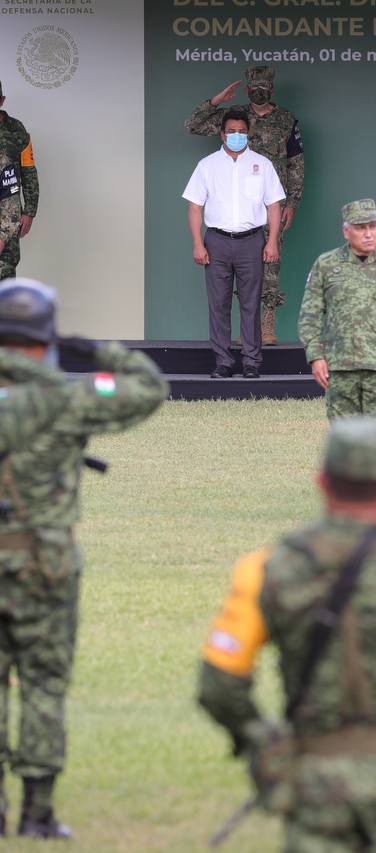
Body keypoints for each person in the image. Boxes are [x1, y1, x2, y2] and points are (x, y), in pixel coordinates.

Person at [197, 417, 376, 850]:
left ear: (321, 483)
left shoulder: (266, 567)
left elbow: (219, 682)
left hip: (317, 778)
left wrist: (260, 741)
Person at [0, 278, 166, 838]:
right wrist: (93, 351)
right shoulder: (68, 399)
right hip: (45, 566)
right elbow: (148, 386)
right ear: (44, 334)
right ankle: (38, 812)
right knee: (44, 685)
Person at [185, 66, 305, 345]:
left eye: (264, 87)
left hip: (272, 201)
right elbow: (193, 125)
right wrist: (217, 102)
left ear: (272, 89)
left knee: (270, 262)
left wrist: (293, 202)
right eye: (254, 88)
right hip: (234, 203)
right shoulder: (236, 117)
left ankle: (266, 325)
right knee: (236, 269)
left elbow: (296, 161)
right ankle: (245, 332)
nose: (259, 92)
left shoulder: (286, 119)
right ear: (248, 89)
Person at [298, 199, 376, 419]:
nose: (368, 234)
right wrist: (315, 356)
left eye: (372, 226)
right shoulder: (325, 265)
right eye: (360, 228)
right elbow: (310, 312)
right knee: (345, 441)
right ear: (346, 232)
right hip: (338, 368)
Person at [182, 110, 283, 379]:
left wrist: (272, 240)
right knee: (218, 303)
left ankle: (251, 362)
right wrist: (197, 243)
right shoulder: (207, 165)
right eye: (231, 131)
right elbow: (194, 207)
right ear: (222, 134)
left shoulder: (262, 164)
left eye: (241, 131)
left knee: (251, 303)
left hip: (252, 240)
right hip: (216, 241)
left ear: (248, 133)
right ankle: (223, 362)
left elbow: (274, 205)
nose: (236, 136)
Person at [0, 83, 38, 281]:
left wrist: (29, 211)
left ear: (2, 100)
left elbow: (28, 171)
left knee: (5, 270)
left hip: (10, 211)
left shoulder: (16, 129)